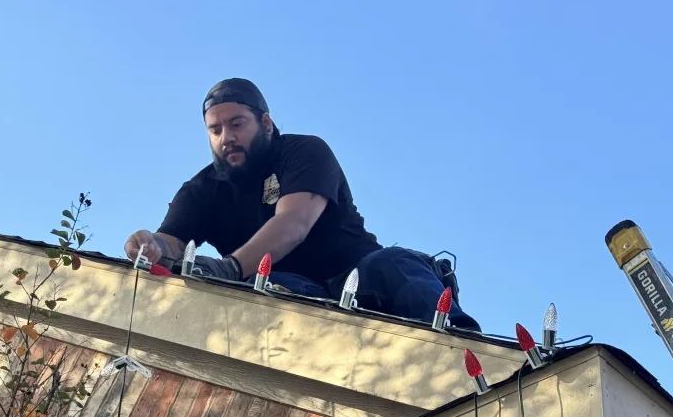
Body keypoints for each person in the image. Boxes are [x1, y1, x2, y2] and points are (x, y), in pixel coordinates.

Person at [124, 79, 479, 331]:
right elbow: (171, 242)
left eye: (236, 124)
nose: (226, 138)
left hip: (361, 278)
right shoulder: (202, 189)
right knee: (271, 287)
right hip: (290, 293)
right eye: (215, 130)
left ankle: (466, 347)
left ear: (266, 122)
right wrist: (152, 246)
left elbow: (293, 225)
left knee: (395, 263)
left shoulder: (303, 151)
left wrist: (230, 270)